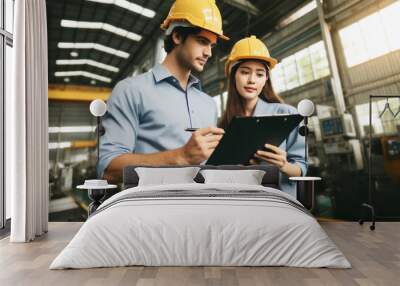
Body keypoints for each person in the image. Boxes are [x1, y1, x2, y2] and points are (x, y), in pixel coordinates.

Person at [98, 0, 229, 182]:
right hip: (151, 208)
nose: (208, 52)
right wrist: (180, 157)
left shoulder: (208, 104)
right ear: (177, 36)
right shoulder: (131, 91)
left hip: (204, 206)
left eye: (211, 45)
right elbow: (108, 168)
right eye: (202, 41)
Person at [220, 35, 307, 197]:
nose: (252, 80)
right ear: (233, 76)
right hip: (238, 204)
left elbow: (302, 170)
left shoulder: (287, 114)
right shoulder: (223, 124)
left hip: (278, 205)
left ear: (266, 78)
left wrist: (283, 164)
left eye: (259, 74)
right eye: (245, 72)